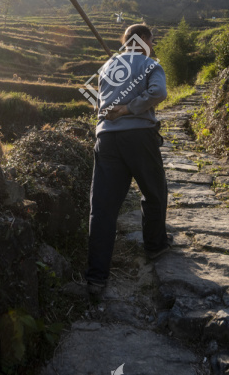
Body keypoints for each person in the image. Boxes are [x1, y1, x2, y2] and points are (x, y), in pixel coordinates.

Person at [85, 23, 170, 301]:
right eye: (152, 39)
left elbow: (98, 103)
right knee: (154, 192)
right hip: (139, 137)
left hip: (107, 140)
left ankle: (96, 277)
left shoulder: (107, 68)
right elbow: (158, 93)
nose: (153, 43)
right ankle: (155, 246)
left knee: (103, 208)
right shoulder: (150, 64)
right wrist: (130, 108)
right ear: (144, 39)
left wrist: (115, 107)